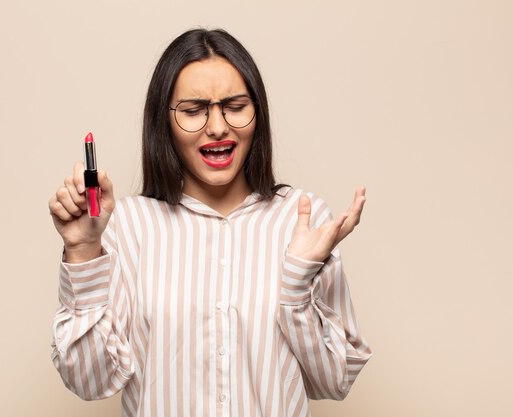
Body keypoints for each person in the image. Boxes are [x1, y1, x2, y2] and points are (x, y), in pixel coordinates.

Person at [48, 28, 373, 417]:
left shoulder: (301, 218)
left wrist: (296, 288)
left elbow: (333, 382)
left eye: (235, 106)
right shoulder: (129, 226)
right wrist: (84, 252)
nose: (218, 127)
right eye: (193, 110)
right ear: (163, 122)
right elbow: (90, 380)